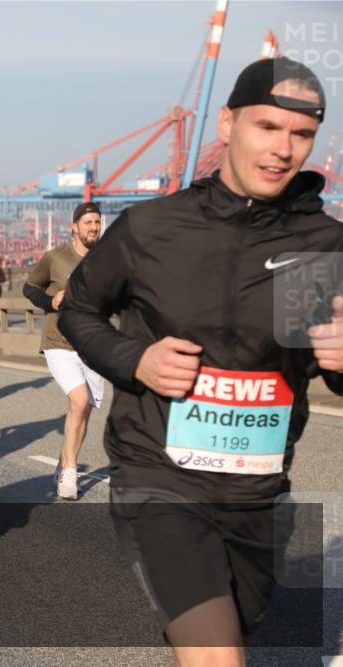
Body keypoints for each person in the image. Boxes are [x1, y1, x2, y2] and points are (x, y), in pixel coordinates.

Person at [59, 58, 343, 663]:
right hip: (159, 478)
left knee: (231, 641)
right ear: (228, 123)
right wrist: (136, 358)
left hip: (256, 492)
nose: (283, 148)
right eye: (268, 127)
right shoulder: (154, 229)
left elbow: (321, 361)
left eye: (301, 134)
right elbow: (79, 310)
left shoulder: (321, 246)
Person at [23, 202, 105, 500]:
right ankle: (70, 472)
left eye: (97, 222)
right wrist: (51, 302)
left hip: (92, 344)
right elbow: (29, 287)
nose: (93, 227)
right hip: (59, 342)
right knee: (79, 401)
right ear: (74, 227)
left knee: (83, 410)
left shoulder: (106, 258)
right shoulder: (56, 257)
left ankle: (64, 461)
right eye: (88, 223)